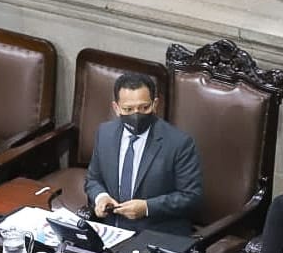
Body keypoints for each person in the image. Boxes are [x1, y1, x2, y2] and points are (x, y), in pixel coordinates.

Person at [84, 73, 203, 235]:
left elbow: (191, 197)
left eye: (144, 107)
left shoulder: (179, 143)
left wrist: (147, 207)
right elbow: (93, 179)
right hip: (111, 228)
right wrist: (101, 197)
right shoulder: (105, 133)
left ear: (155, 104)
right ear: (116, 108)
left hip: (156, 232)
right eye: (128, 109)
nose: (136, 114)